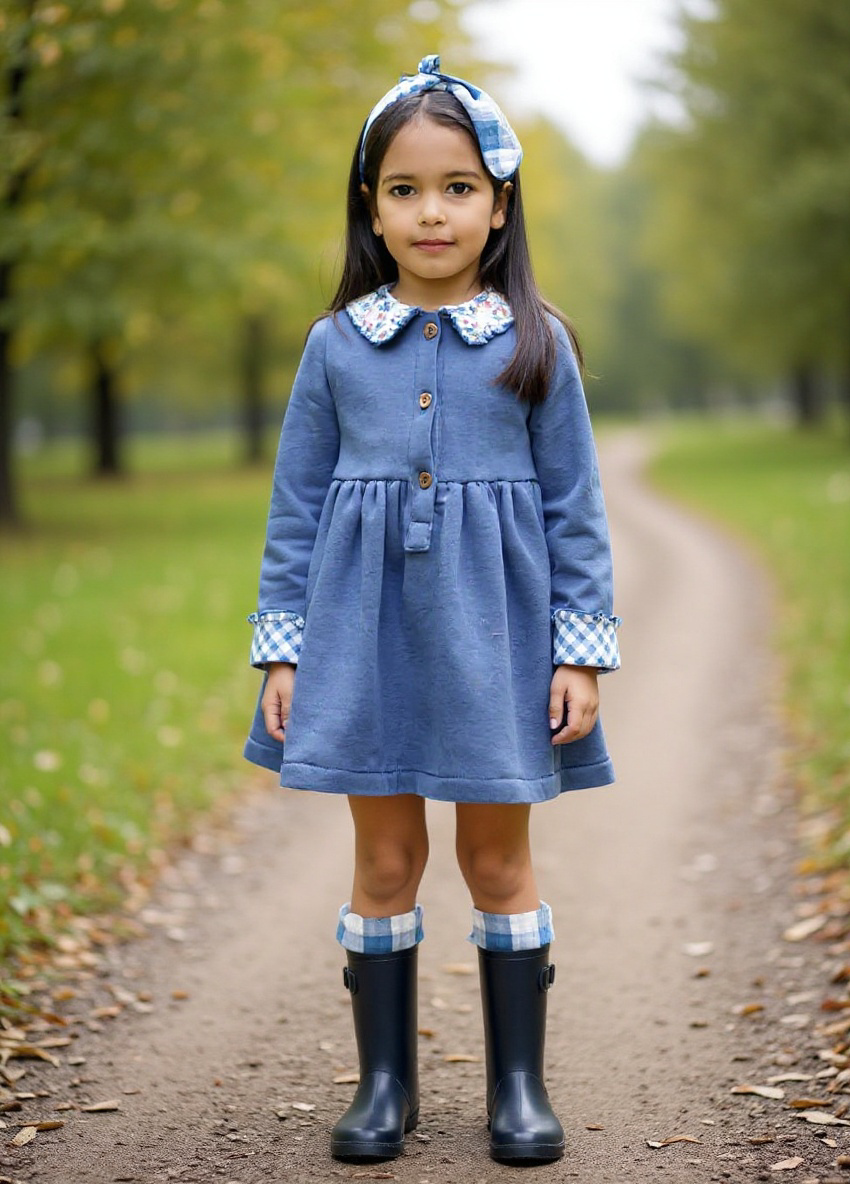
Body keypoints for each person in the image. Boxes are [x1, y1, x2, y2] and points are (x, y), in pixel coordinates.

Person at [243, 56, 620, 1165]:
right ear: (371, 207)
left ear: (500, 205)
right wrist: (284, 650)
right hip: (362, 638)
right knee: (385, 858)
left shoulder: (536, 342)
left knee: (496, 860)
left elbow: (577, 511)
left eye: (458, 187)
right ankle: (384, 1083)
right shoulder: (334, 348)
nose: (432, 212)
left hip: (496, 640)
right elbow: (295, 509)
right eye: (404, 189)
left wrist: (580, 654)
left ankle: (517, 1084)